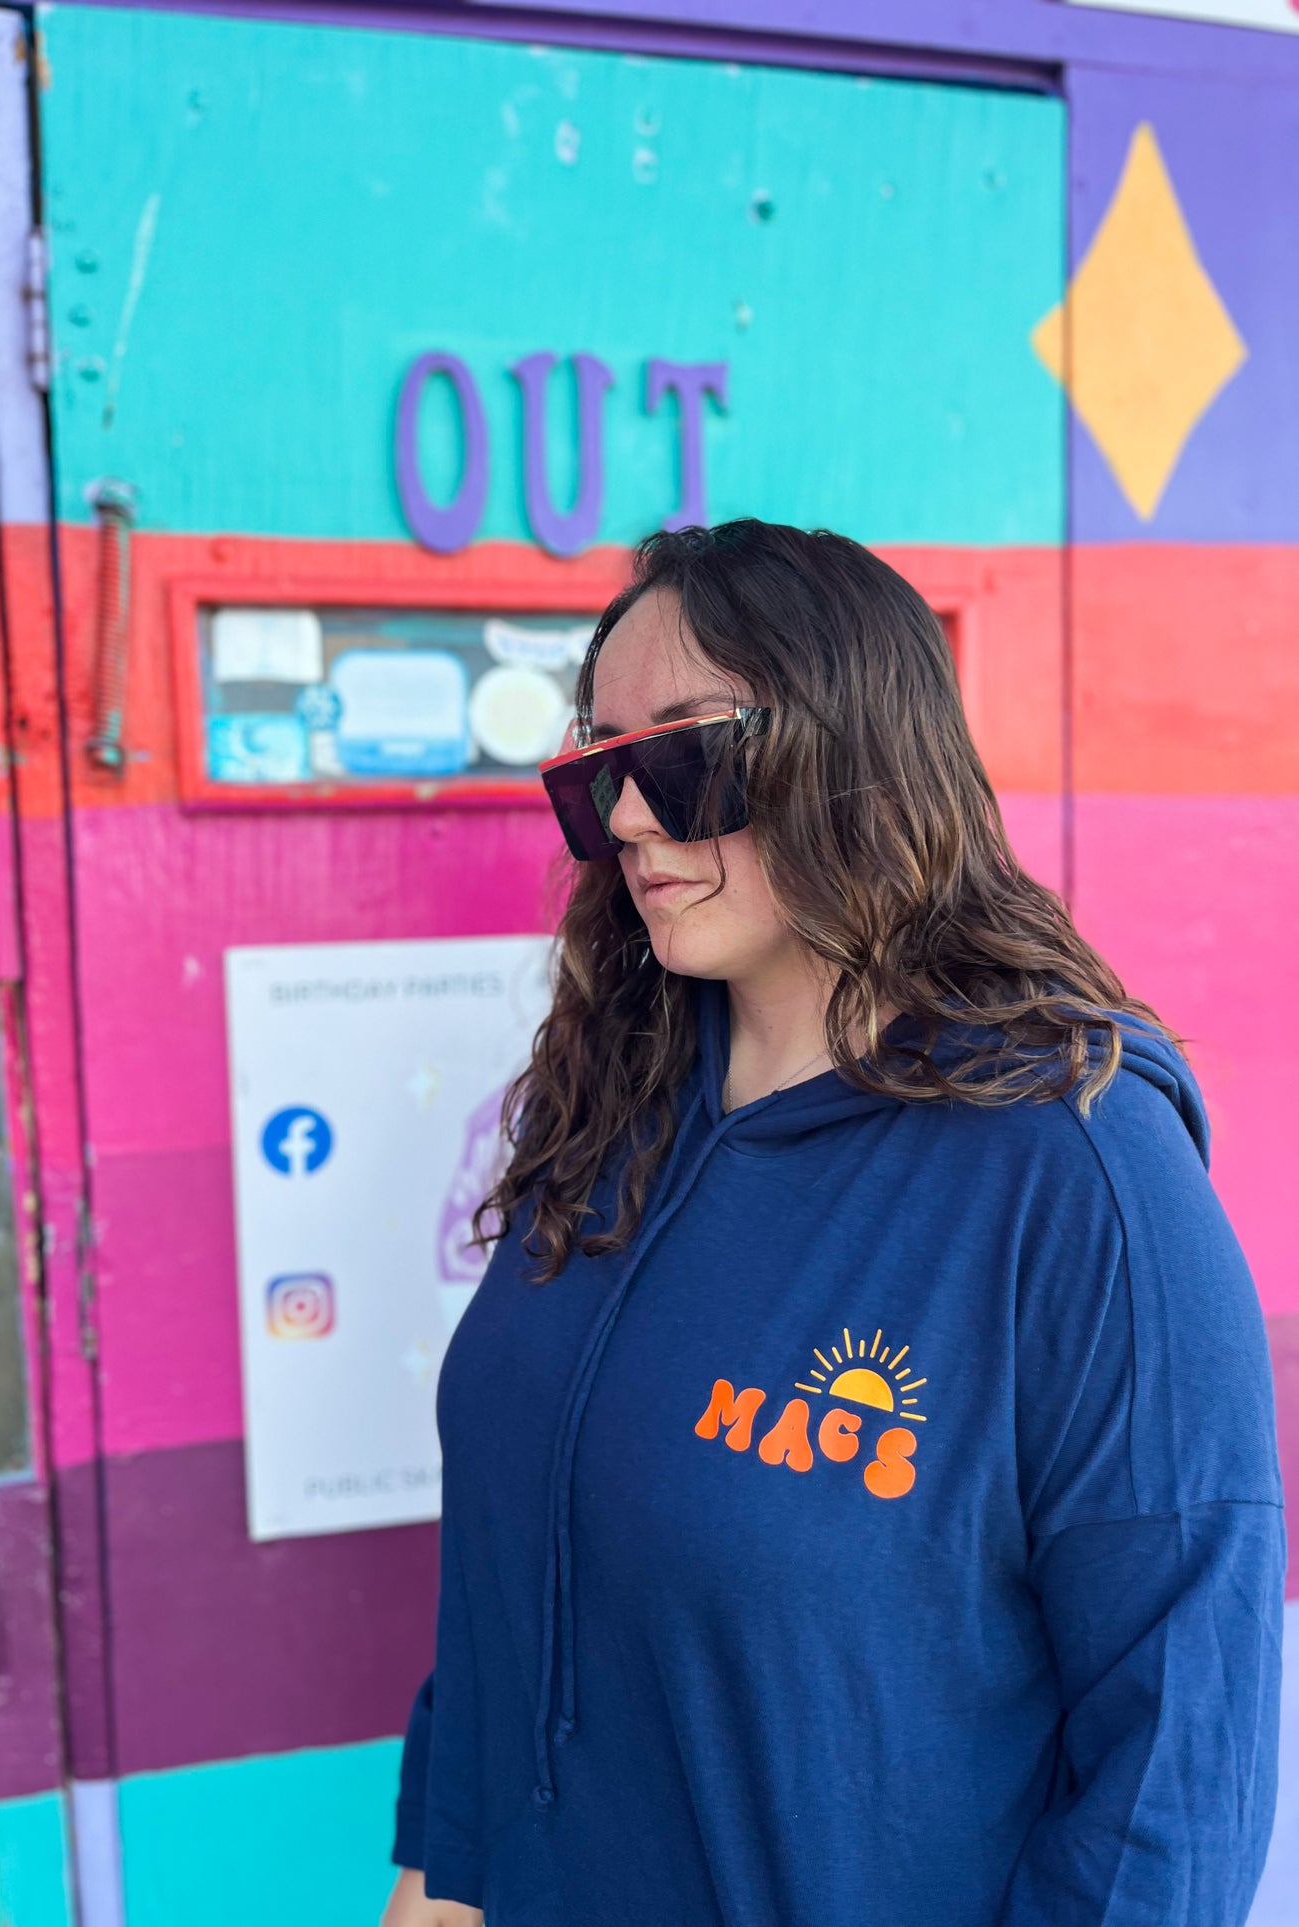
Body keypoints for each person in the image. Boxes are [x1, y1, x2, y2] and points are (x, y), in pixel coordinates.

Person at [383, 521, 1284, 1927]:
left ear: (852, 751)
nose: (627, 819)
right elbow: (513, 1548)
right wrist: (437, 1880)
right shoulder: (602, 1107)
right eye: (596, 766)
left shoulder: (1070, 1168)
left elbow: (1173, 1753)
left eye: (681, 753)